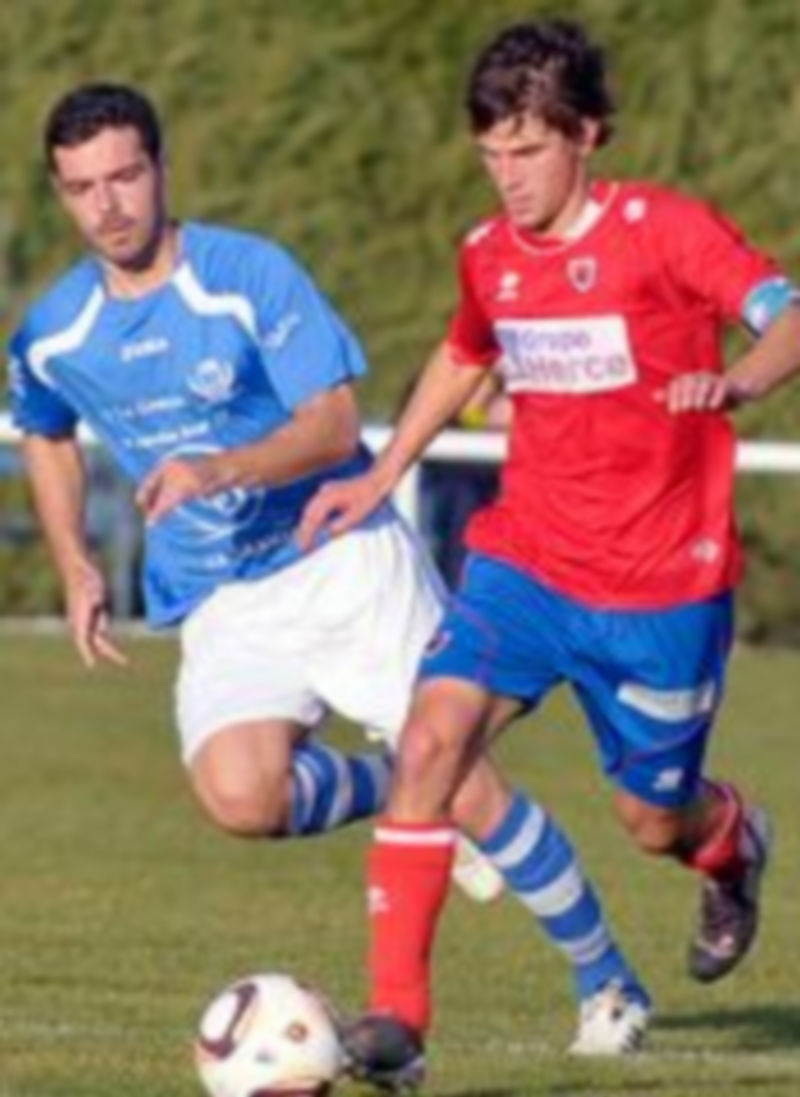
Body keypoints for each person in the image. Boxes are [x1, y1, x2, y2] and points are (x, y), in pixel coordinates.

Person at [8, 82, 651, 1054]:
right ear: (63, 194)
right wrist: (76, 562)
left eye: (125, 176)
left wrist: (221, 466)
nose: (108, 204)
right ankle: (402, 779)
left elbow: (332, 425)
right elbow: (45, 432)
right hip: (225, 596)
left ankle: (606, 978)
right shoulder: (56, 329)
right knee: (242, 795)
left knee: (468, 785)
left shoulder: (246, 275)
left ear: (161, 169)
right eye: (82, 186)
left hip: (341, 559)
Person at [299, 17, 800, 1088]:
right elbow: (462, 349)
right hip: (524, 563)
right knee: (430, 739)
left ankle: (728, 841)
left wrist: (740, 380)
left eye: (527, 149)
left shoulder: (663, 231)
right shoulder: (487, 254)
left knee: (650, 815)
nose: (507, 175)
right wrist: (382, 471)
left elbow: (786, 313)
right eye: (490, 153)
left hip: (659, 591)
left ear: (586, 135)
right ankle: (398, 1016)